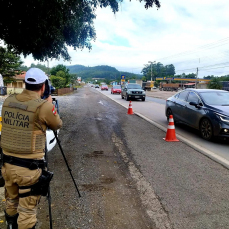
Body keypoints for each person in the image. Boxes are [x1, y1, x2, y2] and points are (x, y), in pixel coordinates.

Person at [1, 68, 63, 229]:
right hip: (29, 169)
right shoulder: (43, 107)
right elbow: (57, 125)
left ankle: (10, 226)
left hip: (7, 166)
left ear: (25, 83)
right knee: (27, 211)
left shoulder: (8, 101)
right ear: (43, 87)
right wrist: (49, 104)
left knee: (11, 201)